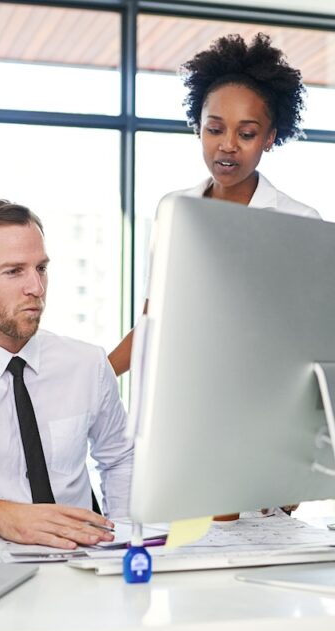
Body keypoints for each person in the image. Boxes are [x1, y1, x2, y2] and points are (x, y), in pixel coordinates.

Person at [0, 199, 276, 631]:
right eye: (14, 272)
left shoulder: (86, 365)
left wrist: (130, 541)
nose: (36, 288)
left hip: (85, 580)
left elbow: (119, 459)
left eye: (42, 268)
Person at [108, 33, 320, 376]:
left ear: (269, 138)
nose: (228, 145)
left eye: (247, 134)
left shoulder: (299, 221)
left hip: (257, 392)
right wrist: (95, 379)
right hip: (180, 388)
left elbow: (305, 337)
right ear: (199, 129)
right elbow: (153, 323)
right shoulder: (174, 209)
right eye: (215, 129)